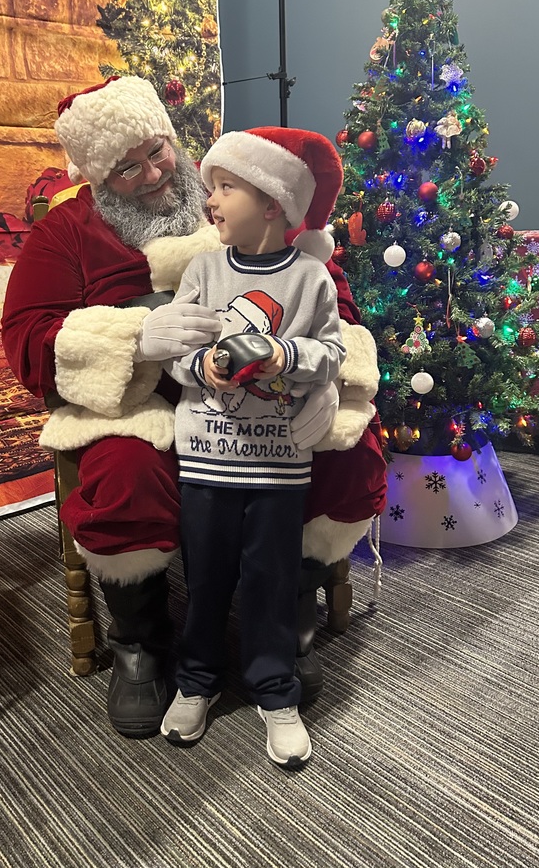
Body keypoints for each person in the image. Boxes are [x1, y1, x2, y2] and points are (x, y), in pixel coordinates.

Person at [1, 76, 387, 741]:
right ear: (94, 175)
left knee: (350, 449)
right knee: (124, 474)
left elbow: (332, 305)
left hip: (267, 396)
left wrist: (318, 383)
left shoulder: (236, 194)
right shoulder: (65, 234)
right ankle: (140, 641)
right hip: (141, 403)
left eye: (157, 151)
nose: (152, 174)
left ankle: (292, 604)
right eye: (125, 169)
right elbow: (27, 340)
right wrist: (131, 341)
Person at [159, 127, 347, 768]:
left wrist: (282, 355)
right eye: (209, 187)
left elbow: (333, 355)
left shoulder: (311, 279)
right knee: (205, 577)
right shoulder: (203, 270)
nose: (210, 200)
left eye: (225, 187)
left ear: (272, 202)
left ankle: (275, 689)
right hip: (206, 458)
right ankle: (195, 681)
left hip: (276, 466)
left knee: (270, 581)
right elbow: (174, 348)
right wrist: (203, 365)